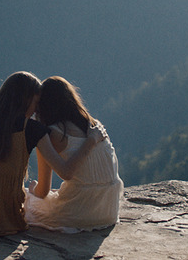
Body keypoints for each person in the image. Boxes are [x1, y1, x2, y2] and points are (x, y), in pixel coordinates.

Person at [0, 72, 104, 237]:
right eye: (36, 102)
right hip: (5, 220)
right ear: (26, 100)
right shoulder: (33, 129)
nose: (36, 110)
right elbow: (66, 172)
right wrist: (90, 141)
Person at [25, 76, 123, 233]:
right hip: (109, 210)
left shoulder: (51, 134)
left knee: (27, 200)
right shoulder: (95, 126)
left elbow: (45, 190)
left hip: (79, 213)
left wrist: (33, 190)